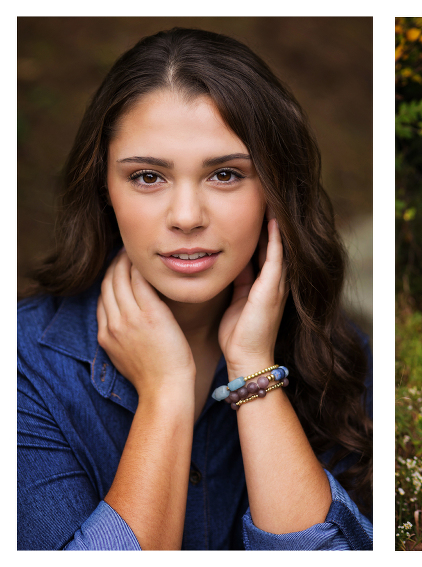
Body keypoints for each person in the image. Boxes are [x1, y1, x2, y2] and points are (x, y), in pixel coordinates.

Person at [17, 28, 372, 550]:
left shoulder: (345, 353)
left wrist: (253, 369)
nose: (186, 217)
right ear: (104, 188)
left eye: (226, 174)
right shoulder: (23, 366)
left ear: (276, 191)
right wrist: (166, 395)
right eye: (148, 177)